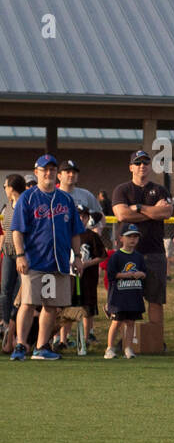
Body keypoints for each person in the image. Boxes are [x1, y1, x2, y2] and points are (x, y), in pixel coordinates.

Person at [10, 155, 86, 361]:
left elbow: (75, 232)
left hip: (59, 262)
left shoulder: (65, 199)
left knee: (51, 305)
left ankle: (41, 347)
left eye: (52, 169)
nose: (49, 173)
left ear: (56, 174)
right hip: (33, 260)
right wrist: (19, 255)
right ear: (37, 172)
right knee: (28, 302)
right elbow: (17, 230)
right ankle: (20, 344)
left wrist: (77, 256)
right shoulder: (28, 197)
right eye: (45, 169)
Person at [111, 150, 172, 344]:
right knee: (125, 298)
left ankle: (155, 340)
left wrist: (137, 208)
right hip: (128, 253)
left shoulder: (160, 190)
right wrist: (152, 211)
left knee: (155, 299)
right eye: (137, 163)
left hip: (154, 252)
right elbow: (122, 215)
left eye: (145, 162)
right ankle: (123, 340)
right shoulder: (122, 190)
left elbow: (166, 212)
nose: (142, 166)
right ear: (131, 167)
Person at [103, 225, 146, 359]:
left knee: (131, 322)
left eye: (135, 237)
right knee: (116, 322)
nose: (132, 239)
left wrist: (140, 274)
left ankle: (128, 348)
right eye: (129, 236)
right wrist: (129, 275)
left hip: (133, 295)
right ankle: (109, 348)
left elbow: (144, 273)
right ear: (121, 238)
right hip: (119, 297)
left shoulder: (138, 256)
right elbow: (111, 275)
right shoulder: (116, 256)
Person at [69, 205, 107, 349]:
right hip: (71, 278)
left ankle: (86, 337)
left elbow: (101, 256)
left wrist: (86, 264)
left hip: (88, 279)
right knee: (68, 307)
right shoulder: (68, 235)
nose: (80, 219)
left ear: (87, 219)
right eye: (78, 216)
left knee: (87, 307)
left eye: (83, 216)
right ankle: (62, 339)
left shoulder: (92, 236)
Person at [1, 174, 26, 349]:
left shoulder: (25, 204)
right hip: (8, 252)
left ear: (12, 187)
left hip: (22, 253)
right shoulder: (7, 206)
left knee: (20, 293)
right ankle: (5, 323)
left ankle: (15, 326)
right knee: (5, 289)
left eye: (5, 186)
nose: (4, 189)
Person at [57, 160, 103, 227]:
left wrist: (97, 231)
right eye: (68, 172)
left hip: (81, 235)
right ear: (59, 176)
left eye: (74, 172)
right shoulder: (52, 196)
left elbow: (101, 216)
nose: (71, 175)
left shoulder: (86, 195)